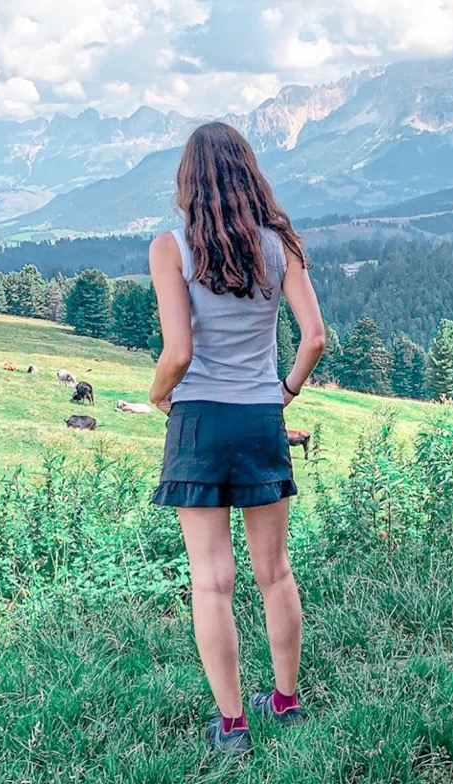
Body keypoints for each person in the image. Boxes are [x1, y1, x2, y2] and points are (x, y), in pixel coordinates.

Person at [148, 121, 325, 759]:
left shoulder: (171, 248)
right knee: (275, 572)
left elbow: (179, 351)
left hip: (199, 421)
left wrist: (156, 392)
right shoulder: (281, 247)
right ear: (249, 173)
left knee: (211, 582)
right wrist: (286, 391)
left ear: (189, 181)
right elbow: (314, 338)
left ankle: (232, 725)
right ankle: (284, 700)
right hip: (259, 418)